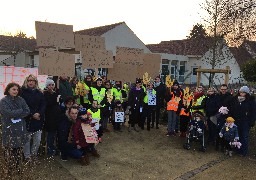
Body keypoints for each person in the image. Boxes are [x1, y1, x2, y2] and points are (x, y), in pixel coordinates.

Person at [0, 83, 30, 173]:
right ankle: (9, 169)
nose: (16, 91)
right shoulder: (3, 101)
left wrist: (14, 113)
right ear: (8, 90)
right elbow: (6, 113)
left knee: (18, 149)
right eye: (13, 89)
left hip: (20, 128)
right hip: (9, 128)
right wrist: (20, 111)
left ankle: (18, 168)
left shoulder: (21, 99)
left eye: (17, 90)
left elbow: (27, 111)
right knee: (9, 149)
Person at [20, 74, 46, 161]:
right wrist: (32, 114)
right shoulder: (22, 92)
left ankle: (34, 155)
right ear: (26, 82)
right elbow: (23, 105)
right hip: (27, 120)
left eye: (33, 81)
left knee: (37, 140)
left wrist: (39, 113)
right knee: (27, 141)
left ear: (35, 82)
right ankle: (27, 157)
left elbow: (43, 104)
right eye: (29, 80)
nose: (31, 82)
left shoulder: (39, 92)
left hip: (38, 120)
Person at [229, 86, 256, 156]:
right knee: (237, 136)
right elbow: (232, 110)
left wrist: (252, 122)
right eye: (240, 92)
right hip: (236, 121)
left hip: (245, 122)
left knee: (244, 136)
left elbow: (253, 112)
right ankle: (237, 149)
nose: (241, 94)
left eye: (243, 92)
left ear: (246, 93)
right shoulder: (235, 100)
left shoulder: (251, 101)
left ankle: (243, 151)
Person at [43, 79, 62, 156]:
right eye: (49, 85)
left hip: (56, 117)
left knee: (55, 135)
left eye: (52, 85)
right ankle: (50, 150)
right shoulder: (45, 94)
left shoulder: (55, 93)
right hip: (49, 118)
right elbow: (49, 103)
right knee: (50, 135)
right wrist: (56, 100)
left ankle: (54, 148)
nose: (51, 86)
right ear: (47, 86)